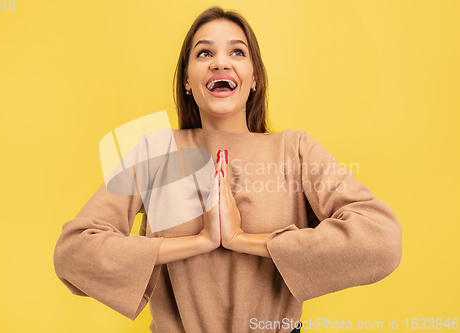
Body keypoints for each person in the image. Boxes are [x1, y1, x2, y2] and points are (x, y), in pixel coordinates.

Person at [53, 6, 402, 333]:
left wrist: (244, 240)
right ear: (187, 81)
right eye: (204, 53)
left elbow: (381, 240)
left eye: (237, 52)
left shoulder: (293, 150)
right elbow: (74, 254)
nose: (220, 62)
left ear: (254, 79)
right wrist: (200, 241)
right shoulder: (156, 152)